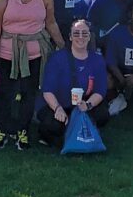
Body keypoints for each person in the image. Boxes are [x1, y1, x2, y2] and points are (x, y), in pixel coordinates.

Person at [0, 0, 61, 150]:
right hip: (7, 51)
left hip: (35, 52)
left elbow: (51, 22)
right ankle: (1, 128)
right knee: (4, 92)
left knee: (28, 93)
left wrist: (62, 46)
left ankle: (23, 130)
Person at [37, 20, 112, 148]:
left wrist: (88, 105)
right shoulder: (57, 58)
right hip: (58, 104)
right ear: (70, 37)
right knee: (53, 125)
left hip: (83, 103)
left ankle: (83, 131)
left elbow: (100, 90)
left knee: (102, 115)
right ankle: (52, 135)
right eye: (76, 33)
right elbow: (47, 90)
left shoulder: (97, 59)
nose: (81, 37)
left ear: (89, 36)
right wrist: (57, 108)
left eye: (84, 33)